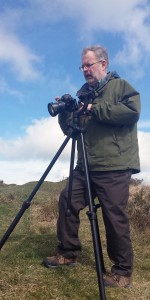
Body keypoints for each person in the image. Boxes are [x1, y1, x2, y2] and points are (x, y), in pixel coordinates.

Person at [42, 45, 141, 288]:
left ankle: (122, 273)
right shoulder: (83, 94)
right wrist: (66, 113)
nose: (85, 69)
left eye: (89, 64)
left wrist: (93, 109)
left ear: (103, 64)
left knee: (113, 217)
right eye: (82, 66)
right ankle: (68, 253)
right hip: (86, 164)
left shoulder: (120, 86)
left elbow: (131, 111)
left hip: (114, 165)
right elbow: (72, 132)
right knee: (67, 201)